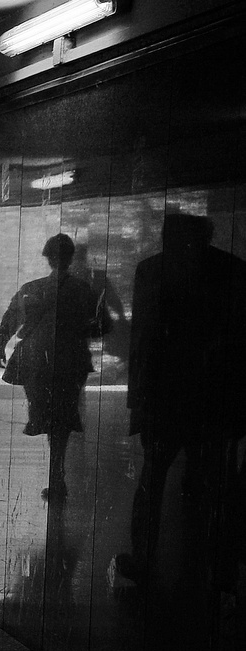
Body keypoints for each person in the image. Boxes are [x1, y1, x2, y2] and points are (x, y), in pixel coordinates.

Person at [115, 214, 246, 589]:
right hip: (212, 399)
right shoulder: (233, 270)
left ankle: (145, 559)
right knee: (212, 482)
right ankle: (217, 566)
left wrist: (137, 399)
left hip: (164, 398)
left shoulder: (152, 270)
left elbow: (143, 340)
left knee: (153, 480)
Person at [0, 234, 111, 501]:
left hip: (35, 358)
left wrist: (0, 346)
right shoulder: (84, 290)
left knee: (45, 412)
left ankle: (52, 461)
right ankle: (57, 472)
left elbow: (10, 319)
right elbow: (104, 324)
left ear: (47, 258)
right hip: (71, 359)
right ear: (71, 258)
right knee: (63, 417)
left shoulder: (31, 288)